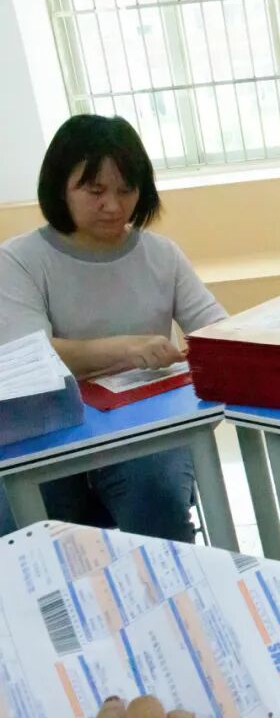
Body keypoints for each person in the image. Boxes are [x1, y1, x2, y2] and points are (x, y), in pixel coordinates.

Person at [0, 114, 227, 541]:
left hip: (146, 428)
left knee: (157, 496)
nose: (113, 205)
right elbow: (29, 355)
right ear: (60, 188)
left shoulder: (162, 255)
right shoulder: (19, 260)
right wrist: (127, 349)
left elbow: (217, 331)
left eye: (126, 190)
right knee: (19, 525)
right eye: (95, 191)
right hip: (48, 433)